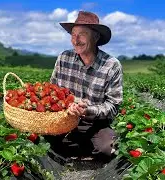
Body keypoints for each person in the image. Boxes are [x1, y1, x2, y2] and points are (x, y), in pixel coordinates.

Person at [46, 11, 123, 162]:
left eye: (82, 34)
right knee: (39, 139)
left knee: (107, 148)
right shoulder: (64, 58)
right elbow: (52, 91)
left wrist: (88, 110)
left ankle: (76, 145)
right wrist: (66, 107)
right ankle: (75, 145)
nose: (76, 40)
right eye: (73, 35)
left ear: (95, 37)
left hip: (94, 123)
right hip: (64, 119)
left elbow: (113, 106)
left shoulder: (111, 65)